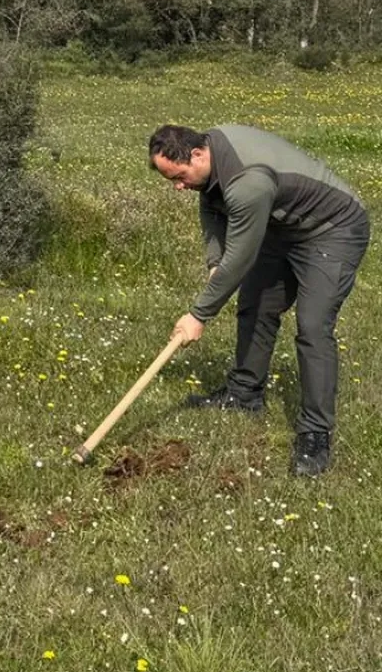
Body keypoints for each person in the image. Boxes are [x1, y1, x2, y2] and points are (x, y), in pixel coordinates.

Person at [148, 124, 370, 476]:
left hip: (333, 229)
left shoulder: (247, 182)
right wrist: (214, 262)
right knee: (255, 304)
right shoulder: (209, 158)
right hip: (284, 227)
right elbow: (209, 206)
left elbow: (241, 258)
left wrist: (198, 315)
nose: (178, 187)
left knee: (313, 326)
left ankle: (315, 432)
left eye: (179, 177)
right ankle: (245, 394)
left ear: (197, 155)